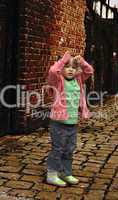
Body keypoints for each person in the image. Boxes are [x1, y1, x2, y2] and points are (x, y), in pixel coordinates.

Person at [46, 51, 94, 187]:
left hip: (72, 122)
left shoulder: (78, 79)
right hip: (58, 123)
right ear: (62, 69)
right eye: (67, 67)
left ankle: (65, 173)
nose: (70, 70)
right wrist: (64, 59)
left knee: (69, 149)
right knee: (58, 149)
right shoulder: (57, 81)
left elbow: (89, 71)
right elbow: (53, 70)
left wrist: (82, 61)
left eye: (73, 67)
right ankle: (52, 174)